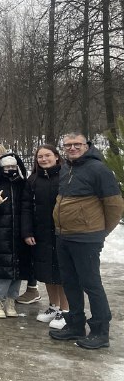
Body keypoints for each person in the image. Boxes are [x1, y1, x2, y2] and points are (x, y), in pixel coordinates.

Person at [50, 133, 123, 349]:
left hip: (86, 239)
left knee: (91, 284)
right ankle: (75, 324)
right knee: (70, 282)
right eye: (68, 145)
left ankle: (100, 331)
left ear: (86, 145)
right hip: (64, 236)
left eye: (77, 145)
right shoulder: (66, 168)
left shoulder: (98, 169)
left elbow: (114, 206)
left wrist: (99, 232)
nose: (72, 148)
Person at [21, 144, 67, 328]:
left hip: (62, 231)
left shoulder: (65, 176)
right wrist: (27, 231)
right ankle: (54, 306)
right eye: (40, 157)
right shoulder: (32, 180)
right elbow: (26, 208)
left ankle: (66, 310)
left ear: (56, 156)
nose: (43, 159)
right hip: (40, 232)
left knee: (63, 272)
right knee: (47, 272)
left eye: (47, 155)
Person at [0, 153, 29, 319]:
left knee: (18, 270)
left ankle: (11, 300)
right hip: (0, 234)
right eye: (6, 167)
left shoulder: (23, 184)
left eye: (12, 167)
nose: (9, 170)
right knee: (4, 269)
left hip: (20, 233)